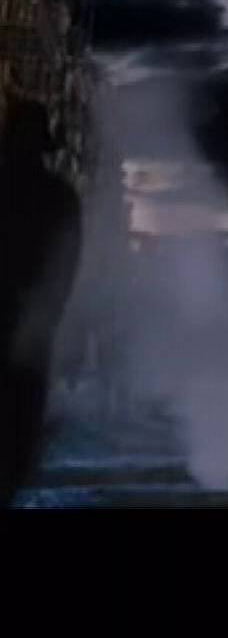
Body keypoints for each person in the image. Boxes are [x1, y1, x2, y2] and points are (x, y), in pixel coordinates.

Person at [1, 99, 83, 506]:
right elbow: (66, 269)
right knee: (20, 433)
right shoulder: (60, 197)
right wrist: (47, 314)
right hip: (33, 331)